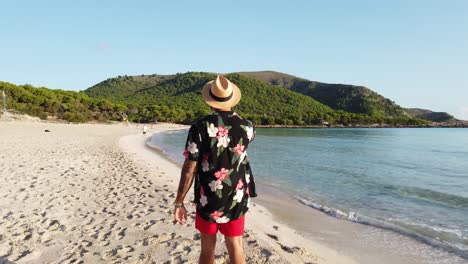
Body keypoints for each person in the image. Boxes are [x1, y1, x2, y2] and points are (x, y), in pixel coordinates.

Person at [174, 75, 257, 264]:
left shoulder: (200, 127)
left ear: (209, 100)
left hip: (207, 196)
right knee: (236, 247)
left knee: (207, 250)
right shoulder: (248, 127)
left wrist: (179, 201)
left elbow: (190, 167)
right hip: (236, 195)